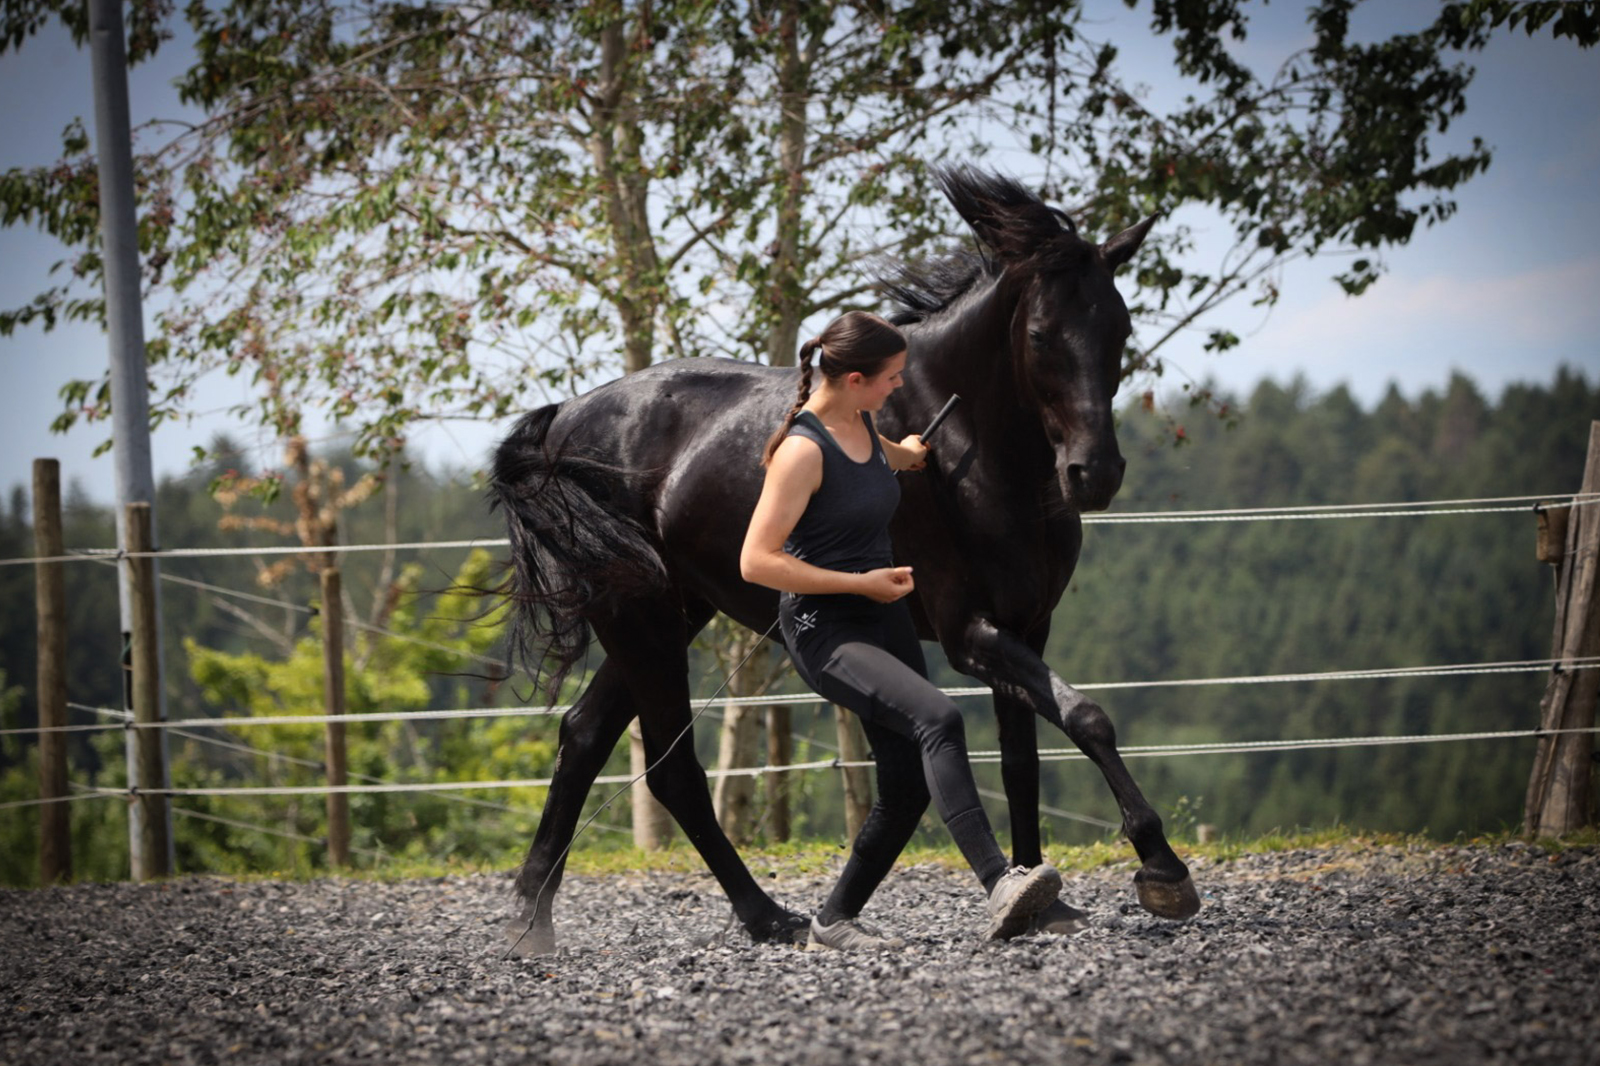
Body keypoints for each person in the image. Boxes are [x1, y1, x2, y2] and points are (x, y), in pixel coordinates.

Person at [740, 310, 1062, 949]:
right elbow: (756, 561)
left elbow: (881, 458)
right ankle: (1000, 882)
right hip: (825, 626)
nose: (898, 386)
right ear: (855, 378)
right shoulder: (802, 451)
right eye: (891, 378)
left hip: (878, 615)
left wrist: (908, 455)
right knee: (938, 718)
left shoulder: (860, 419)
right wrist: (859, 582)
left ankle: (832, 922)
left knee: (907, 785)